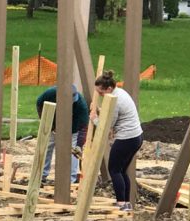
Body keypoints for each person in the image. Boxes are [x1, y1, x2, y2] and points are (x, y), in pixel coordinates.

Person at [91, 70, 143, 211]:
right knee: (121, 170)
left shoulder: (116, 100)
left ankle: (121, 203)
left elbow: (107, 125)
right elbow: (113, 115)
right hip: (136, 136)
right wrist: (102, 110)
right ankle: (126, 203)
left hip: (126, 138)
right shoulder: (119, 92)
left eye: (101, 93)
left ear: (108, 89)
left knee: (114, 169)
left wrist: (94, 118)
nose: (100, 96)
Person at [36, 85, 89, 184]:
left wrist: (79, 145)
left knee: (73, 152)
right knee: (47, 147)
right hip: (52, 122)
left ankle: (70, 179)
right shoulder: (50, 93)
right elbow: (39, 104)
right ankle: (41, 175)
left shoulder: (80, 105)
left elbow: (83, 128)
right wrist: (48, 124)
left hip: (72, 128)